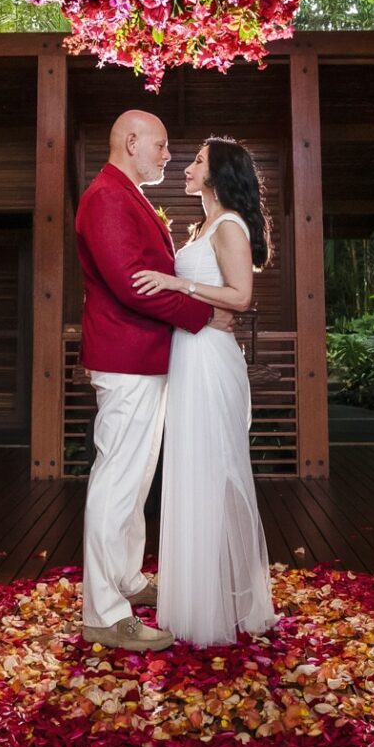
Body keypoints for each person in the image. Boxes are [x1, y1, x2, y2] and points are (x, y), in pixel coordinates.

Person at [74, 110, 233, 652]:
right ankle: (102, 610)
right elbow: (130, 284)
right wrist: (205, 317)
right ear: (132, 141)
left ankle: (126, 580)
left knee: (136, 479)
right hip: (126, 356)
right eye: (162, 146)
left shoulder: (127, 194)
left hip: (145, 357)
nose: (169, 155)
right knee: (118, 479)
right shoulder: (106, 197)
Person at [131, 137, 278, 646]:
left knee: (216, 469)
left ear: (218, 173)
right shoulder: (202, 227)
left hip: (212, 360)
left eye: (196, 161)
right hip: (187, 356)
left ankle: (222, 602)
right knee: (191, 471)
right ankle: (197, 596)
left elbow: (239, 297)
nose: (186, 167)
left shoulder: (232, 224)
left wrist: (176, 286)